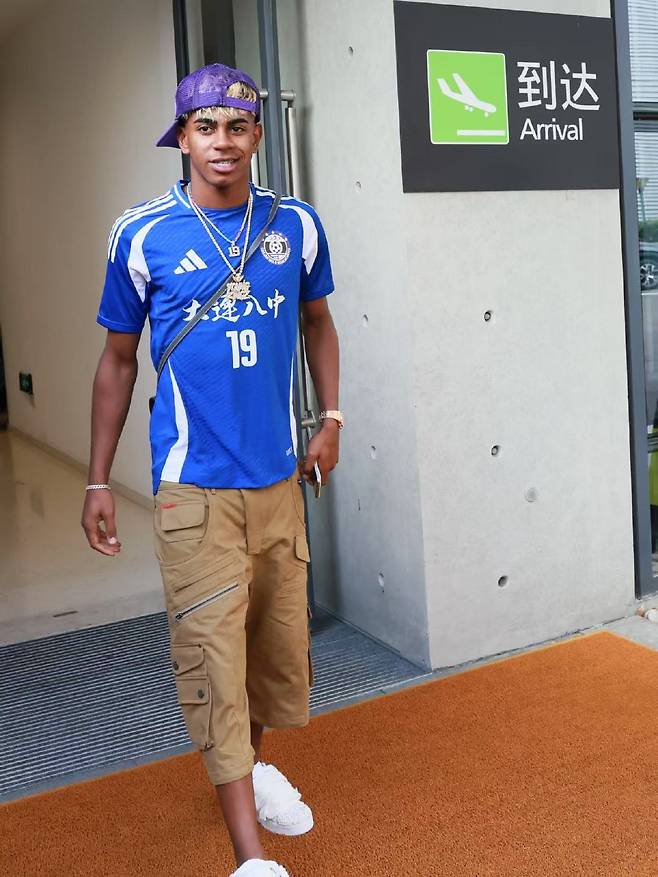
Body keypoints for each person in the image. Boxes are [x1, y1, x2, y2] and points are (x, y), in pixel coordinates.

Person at [81, 63, 342, 877]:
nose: (221, 142)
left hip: (279, 487)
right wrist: (97, 479)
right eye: (205, 128)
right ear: (182, 138)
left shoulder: (295, 225)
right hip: (193, 491)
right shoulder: (142, 234)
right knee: (213, 662)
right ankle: (250, 858)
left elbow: (319, 322)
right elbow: (117, 361)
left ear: (257, 135)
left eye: (236, 126)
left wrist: (331, 420)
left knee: (268, 652)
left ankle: (252, 771)